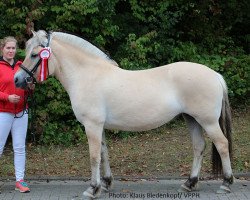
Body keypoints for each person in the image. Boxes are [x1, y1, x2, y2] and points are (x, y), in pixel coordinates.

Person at [0, 36, 33, 193]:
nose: (11, 51)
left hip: (21, 112)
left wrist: (30, 87)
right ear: (2, 49)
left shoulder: (22, 66)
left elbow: (27, 88)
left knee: (19, 148)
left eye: (13, 48)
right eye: (8, 48)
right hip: (3, 113)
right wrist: (7, 97)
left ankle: (20, 181)